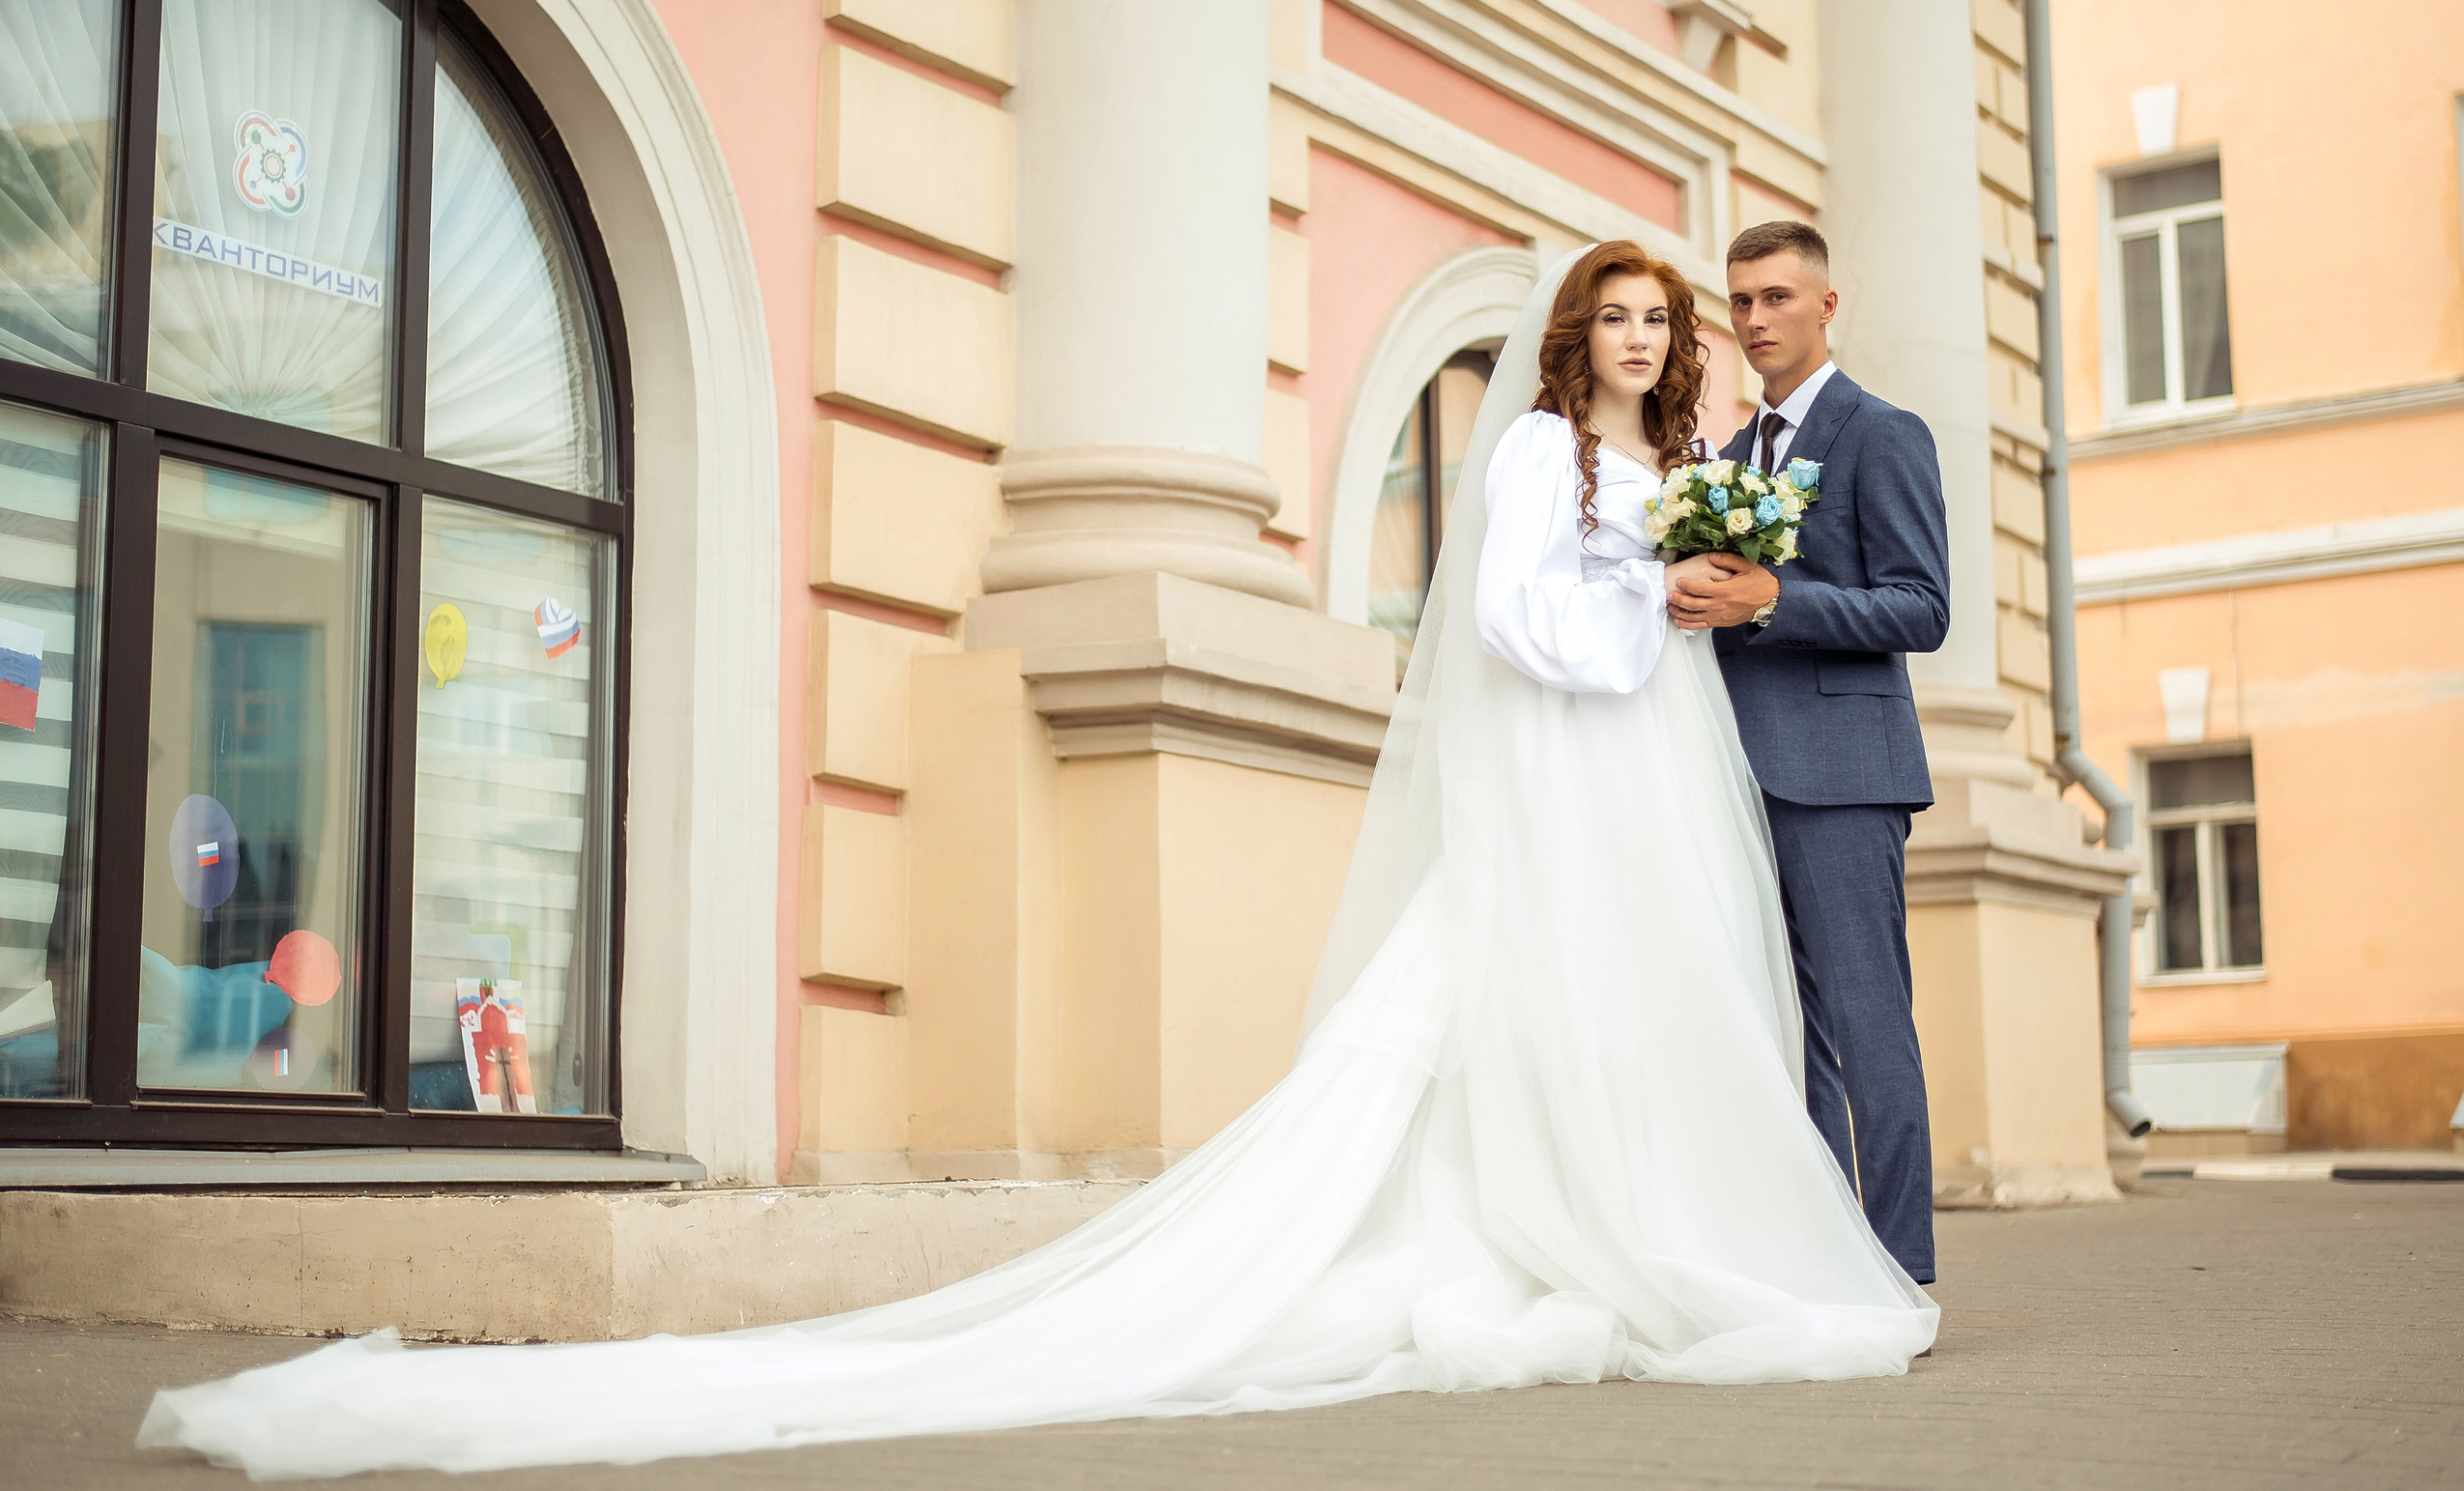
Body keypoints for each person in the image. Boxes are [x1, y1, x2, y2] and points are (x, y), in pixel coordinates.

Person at [137, 243, 1935, 1480]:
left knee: (1642, 1013)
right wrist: (1652, 601)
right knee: (1479, 1019)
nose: (1641, 338)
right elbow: (1515, 623)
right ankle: (1559, 1238)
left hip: (1645, 775)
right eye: (1616, 316)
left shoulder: (1686, 456)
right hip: (1569, 767)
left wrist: (1703, 583)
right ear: (1573, 336)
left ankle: (1644, 1233)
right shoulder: (1537, 454)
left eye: (1660, 319)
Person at [1665, 221, 1951, 1284]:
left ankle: (1902, 1272)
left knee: (1870, 1030)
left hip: (1844, 774)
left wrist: (1773, 598)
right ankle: (1826, 1269)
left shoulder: (1884, 433)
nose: (1754, 319)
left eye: (1776, 297)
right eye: (1740, 300)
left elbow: (1921, 607)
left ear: (1826, 305)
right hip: (1733, 775)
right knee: (1785, 1038)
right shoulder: (1725, 461)